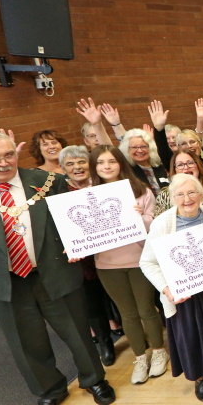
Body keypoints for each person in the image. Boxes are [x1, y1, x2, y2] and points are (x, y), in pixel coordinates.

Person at [0, 131, 116, 405]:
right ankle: (49, 391)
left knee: (78, 332)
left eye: (8, 154)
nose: (3, 162)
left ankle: (94, 380)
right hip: (3, 280)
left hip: (52, 271)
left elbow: (75, 218)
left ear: (17, 152)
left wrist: (77, 242)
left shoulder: (48, 181)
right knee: (25, 342)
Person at [140, 174, 203, 401]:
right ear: (172, 197)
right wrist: (166, 289)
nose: (187, 199)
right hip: (183, 294)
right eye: (180, 194)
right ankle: (200, 378)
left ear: (201, 194)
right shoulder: (162, 223)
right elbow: (146, 262)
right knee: (192, 334)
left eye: (192, 192)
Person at [88, 145, 165, 384]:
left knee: (146, 310)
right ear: (95, 167)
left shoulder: (141, 190)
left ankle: (159, 352)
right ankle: (140, 358)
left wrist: (137, 216)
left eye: (111, 161)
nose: (107, 166)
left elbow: (153, 224)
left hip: (139, 259)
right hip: (107, 263)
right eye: (101, 163)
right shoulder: (87, 195)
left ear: (121, 163)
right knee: (127, 314)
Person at [59, 145, 118, 366]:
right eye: (70, 164)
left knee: (118, 297)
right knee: (93, 304)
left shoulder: (104, 185)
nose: (77, 167)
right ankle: (105, 343)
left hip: (113, 253)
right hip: (83, 260)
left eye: (81, 162)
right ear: (63, 168)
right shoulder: (59, 192)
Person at [155, 149, 203, 215]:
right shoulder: (165, 195)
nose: (186, 167)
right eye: (180, 165)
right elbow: (160, 222)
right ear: (174, 169)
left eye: (190, 163)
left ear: (198, 166)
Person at [119, 128, 168, 195]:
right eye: (134, 147)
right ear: (127, 149)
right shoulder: (126, 171)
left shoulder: (160, 166)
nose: (140, 150)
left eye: (143, 146)